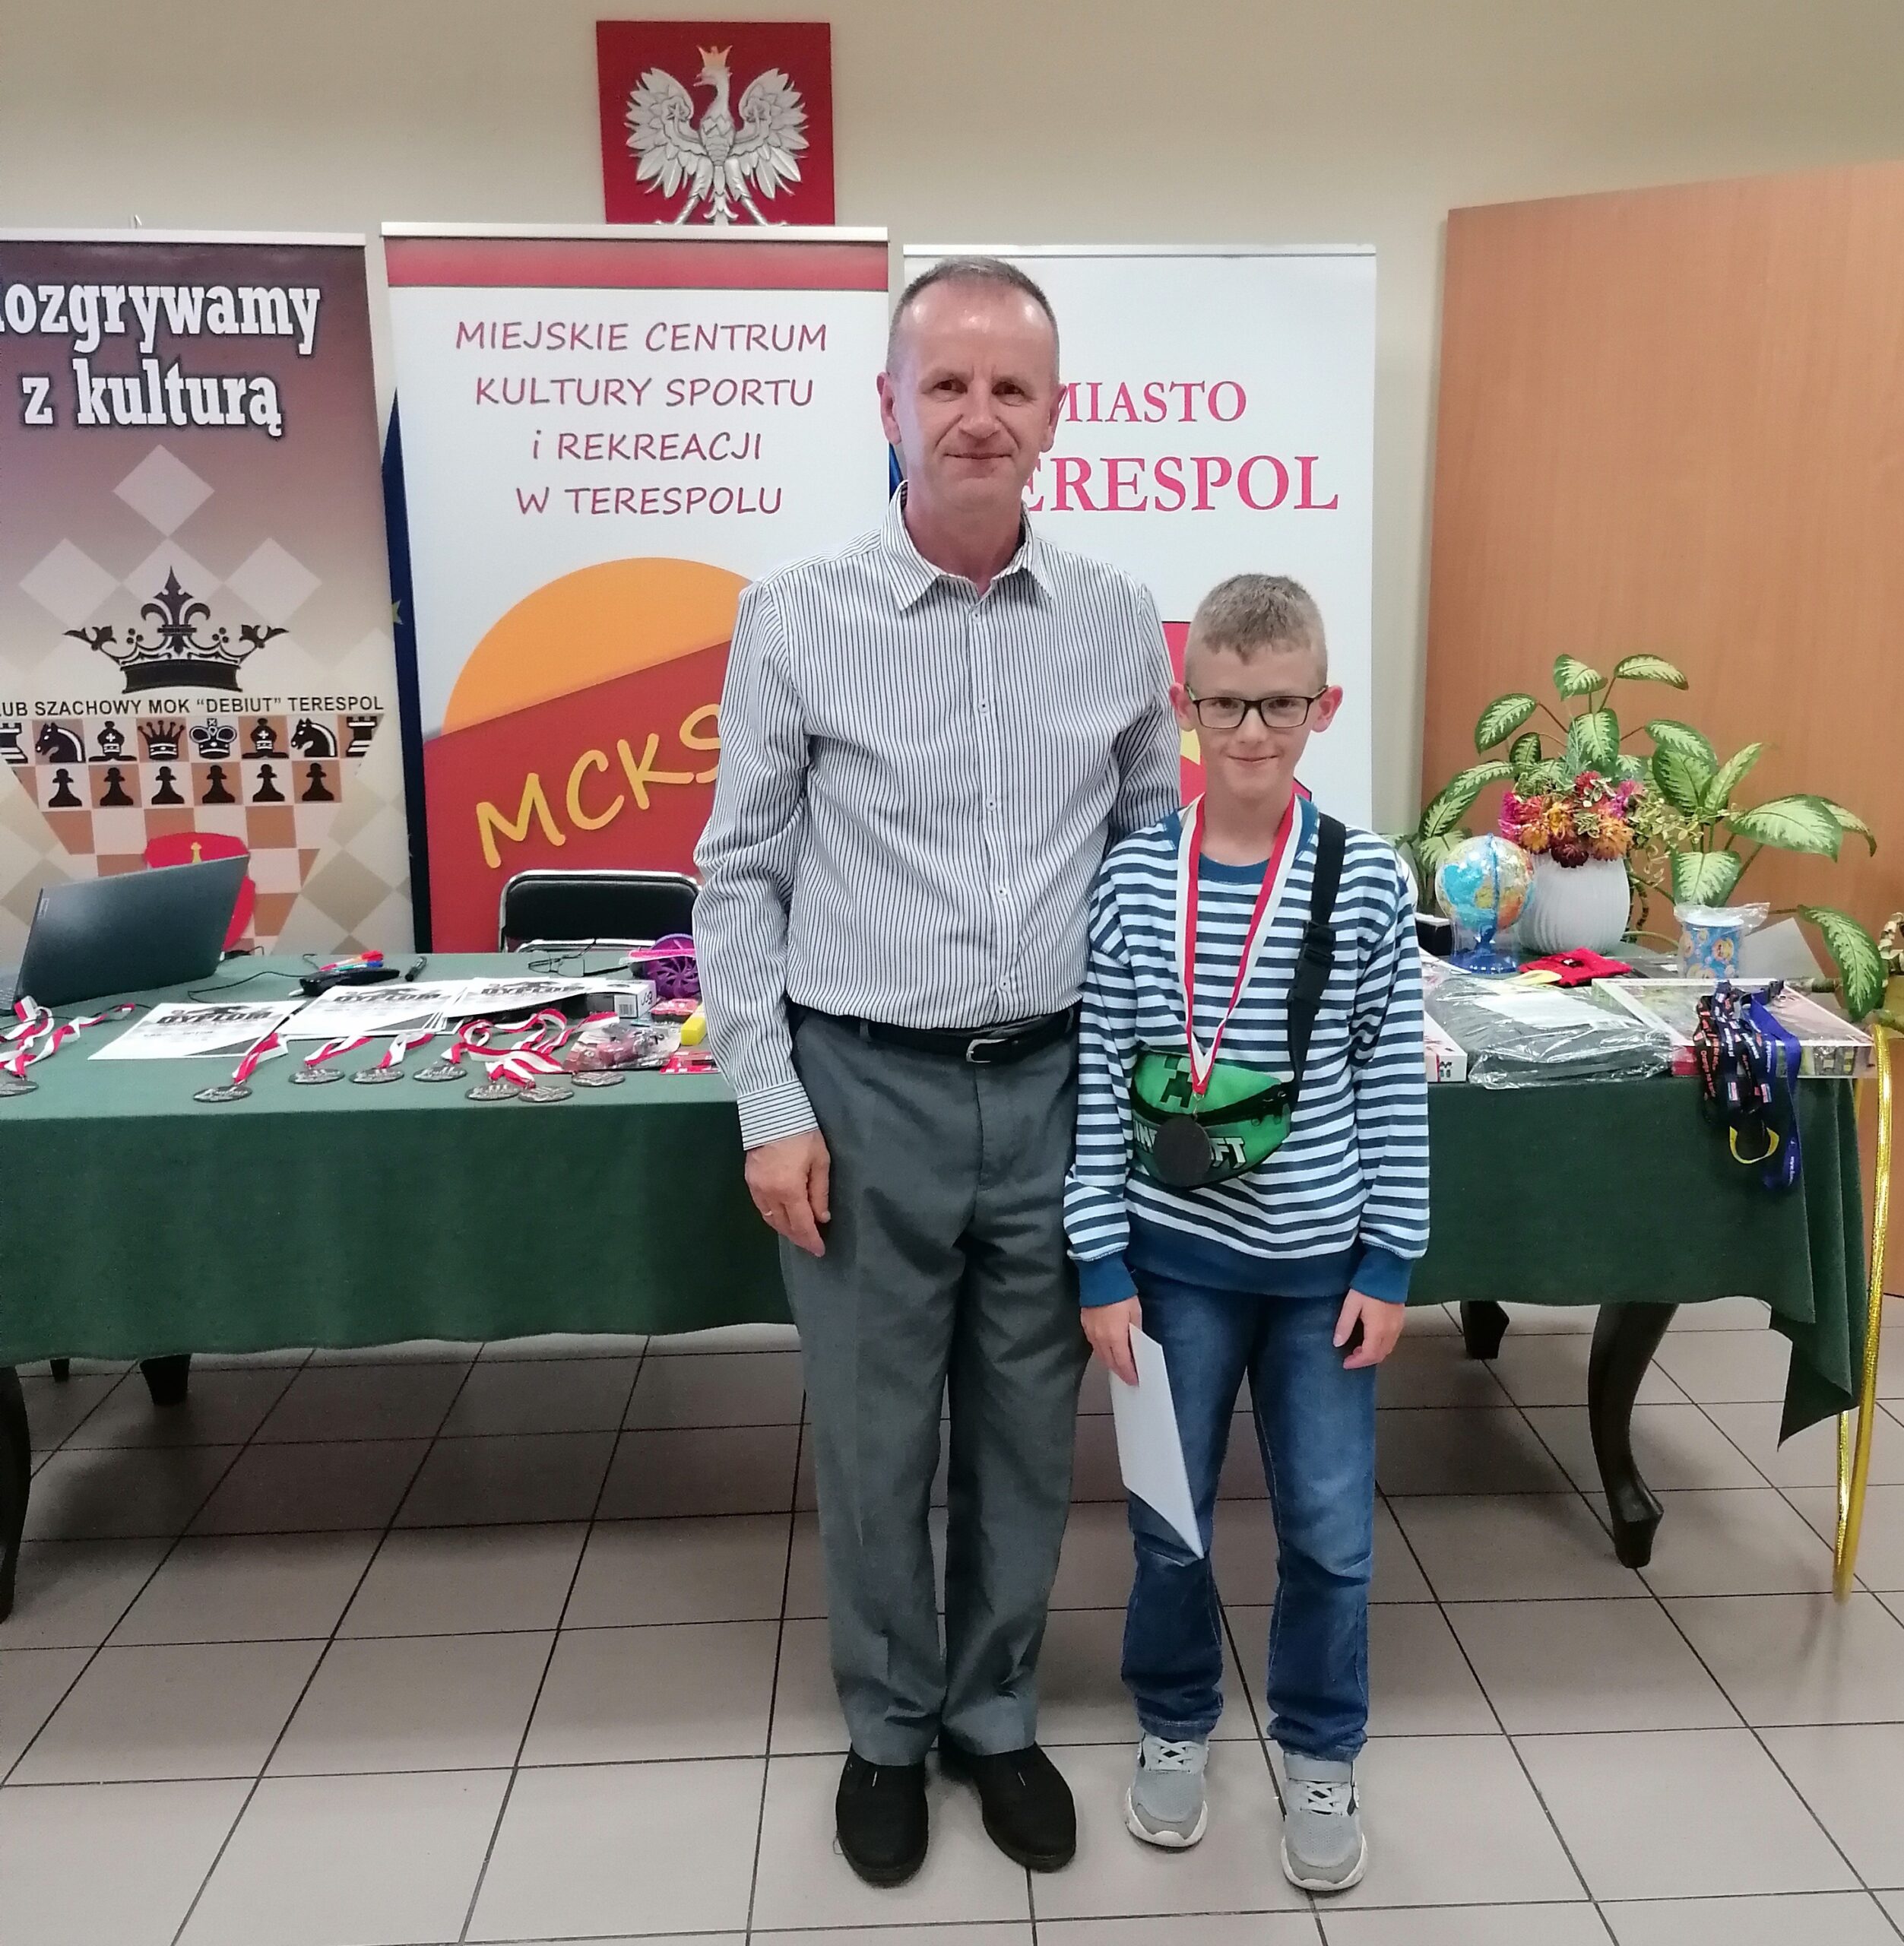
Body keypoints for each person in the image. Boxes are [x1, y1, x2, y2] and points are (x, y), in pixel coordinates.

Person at [694, 257, 1179, 1887]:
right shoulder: (795, 613)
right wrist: (770, 1104)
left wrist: (1154, 1093)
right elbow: (737, 879)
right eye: (946, 384)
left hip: (1054, 1090)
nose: (978, 415)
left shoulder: (1113, 621)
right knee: (874, 1435)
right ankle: (889, 1728)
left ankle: (992, 1712)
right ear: (887, 406)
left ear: (1055, 413)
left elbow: (1149, 865)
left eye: (1009, 387)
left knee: (1028, 1432)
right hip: (861, 1092)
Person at [1063, 574, 1427, 1893]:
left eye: (1280, 705)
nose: (1252, 732)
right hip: (1168, 1272)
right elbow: (1101, 1083)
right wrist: (1098, 1262)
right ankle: (1172, 1722)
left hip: (1323, 1276)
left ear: (1323, 706)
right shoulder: (1132, 881)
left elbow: (1389, 1082)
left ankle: (1320, 1749)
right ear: (1186, 707)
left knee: (1328, 1533)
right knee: (1169, 1524)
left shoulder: (1366, 880)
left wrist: (1389, 1259)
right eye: (1225, 705)